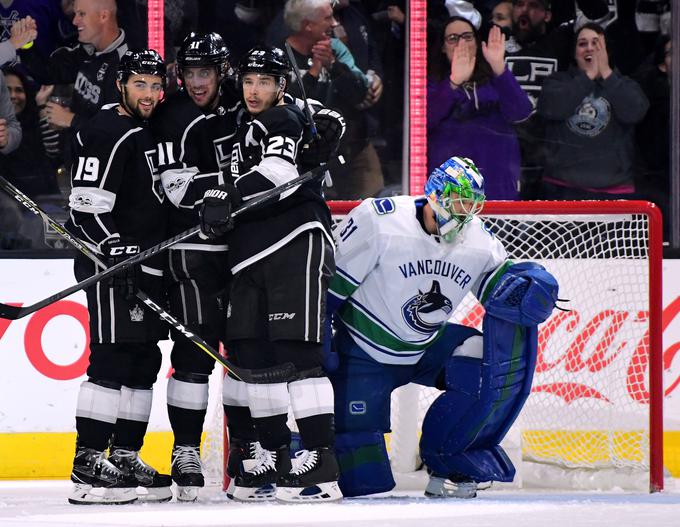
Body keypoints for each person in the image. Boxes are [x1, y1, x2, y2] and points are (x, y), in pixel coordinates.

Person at [325, 156, 559, 498]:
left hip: (423, 348)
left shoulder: (477, 238)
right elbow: (328, 287)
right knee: (365, 486)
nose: (464, 211)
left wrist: (527, 286)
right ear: (435, 195)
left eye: (471, 202)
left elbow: (500, 292)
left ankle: (448, 457)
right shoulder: (380, 220)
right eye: (457, 200)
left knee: (484, 361)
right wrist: (318, 337)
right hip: (363, 354)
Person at [199, 45, 341, 503]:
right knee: (252, 359)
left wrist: (227, 197)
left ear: (282, 85)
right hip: (249, 255)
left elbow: (278, 173)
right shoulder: (244, 124)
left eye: (265, 81)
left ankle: (321, 461)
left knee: (297, 355)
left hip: (294, 242)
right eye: (248, 80)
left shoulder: (282, 118)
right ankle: (276, 457)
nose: (254, 89)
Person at [64, 49, 171, 505]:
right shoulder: (105, 129)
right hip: (111, 266)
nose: (148, 94)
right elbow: (84, 208)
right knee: (110, 361)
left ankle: (124, 455)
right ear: (121, 84)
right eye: (140, 84)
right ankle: (87, 464)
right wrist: (113, 248)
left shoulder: (142, 130)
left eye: (155, 85)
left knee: (143, 362)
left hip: (143, 264)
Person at [152, 31, 235, 503]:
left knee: (244, 353)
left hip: (245, 250)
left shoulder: (244, 106)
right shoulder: (173, 116)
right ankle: (185, 449)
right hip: (192, 252)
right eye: (190, 73)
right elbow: (176, 189)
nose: (197, 82)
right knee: (194, 354)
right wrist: (237, 177)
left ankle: (249, 448)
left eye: (206, 72)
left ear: (222, 72)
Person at [282, 0, 383, 199]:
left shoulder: (335, 49)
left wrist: (334, 66)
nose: (335, 23)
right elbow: (287, 110)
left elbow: (361, 93)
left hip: (353, 148)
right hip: (304, 158)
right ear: (307, 25)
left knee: (373, 202)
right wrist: (314, 71)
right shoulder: (281, 57)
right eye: (328, 18)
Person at [536, 22, 649, 200]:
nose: (590, 48)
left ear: (607, 51)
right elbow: (552, 109)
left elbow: (634, 112)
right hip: (562, 188)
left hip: (614, 189)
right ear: (574, 52)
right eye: (582, 44)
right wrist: (587, 77)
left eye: (596, 44)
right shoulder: (557, 82)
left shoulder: (625, 84)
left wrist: (605, 73)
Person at [428, 18, 532, 199]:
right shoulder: (432, 82)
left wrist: (499, 66)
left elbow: (521, 112)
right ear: (443, 47)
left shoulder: (496, 78)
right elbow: (424, 121)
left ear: (476, 42)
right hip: (452, 190)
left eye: (467, 37)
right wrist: (453, 82)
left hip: (498, 183)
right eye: (453, 38)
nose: (461, 43)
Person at [40, 0, 128, 133]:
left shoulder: (127, 65)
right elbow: (50, 72)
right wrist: (26, 45)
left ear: (103, 16)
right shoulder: (85, 50)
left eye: (81, 14)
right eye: (75, 14)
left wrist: (71, 120)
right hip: (75, 148)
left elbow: (119, 131)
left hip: (100, 152)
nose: (74, 21)